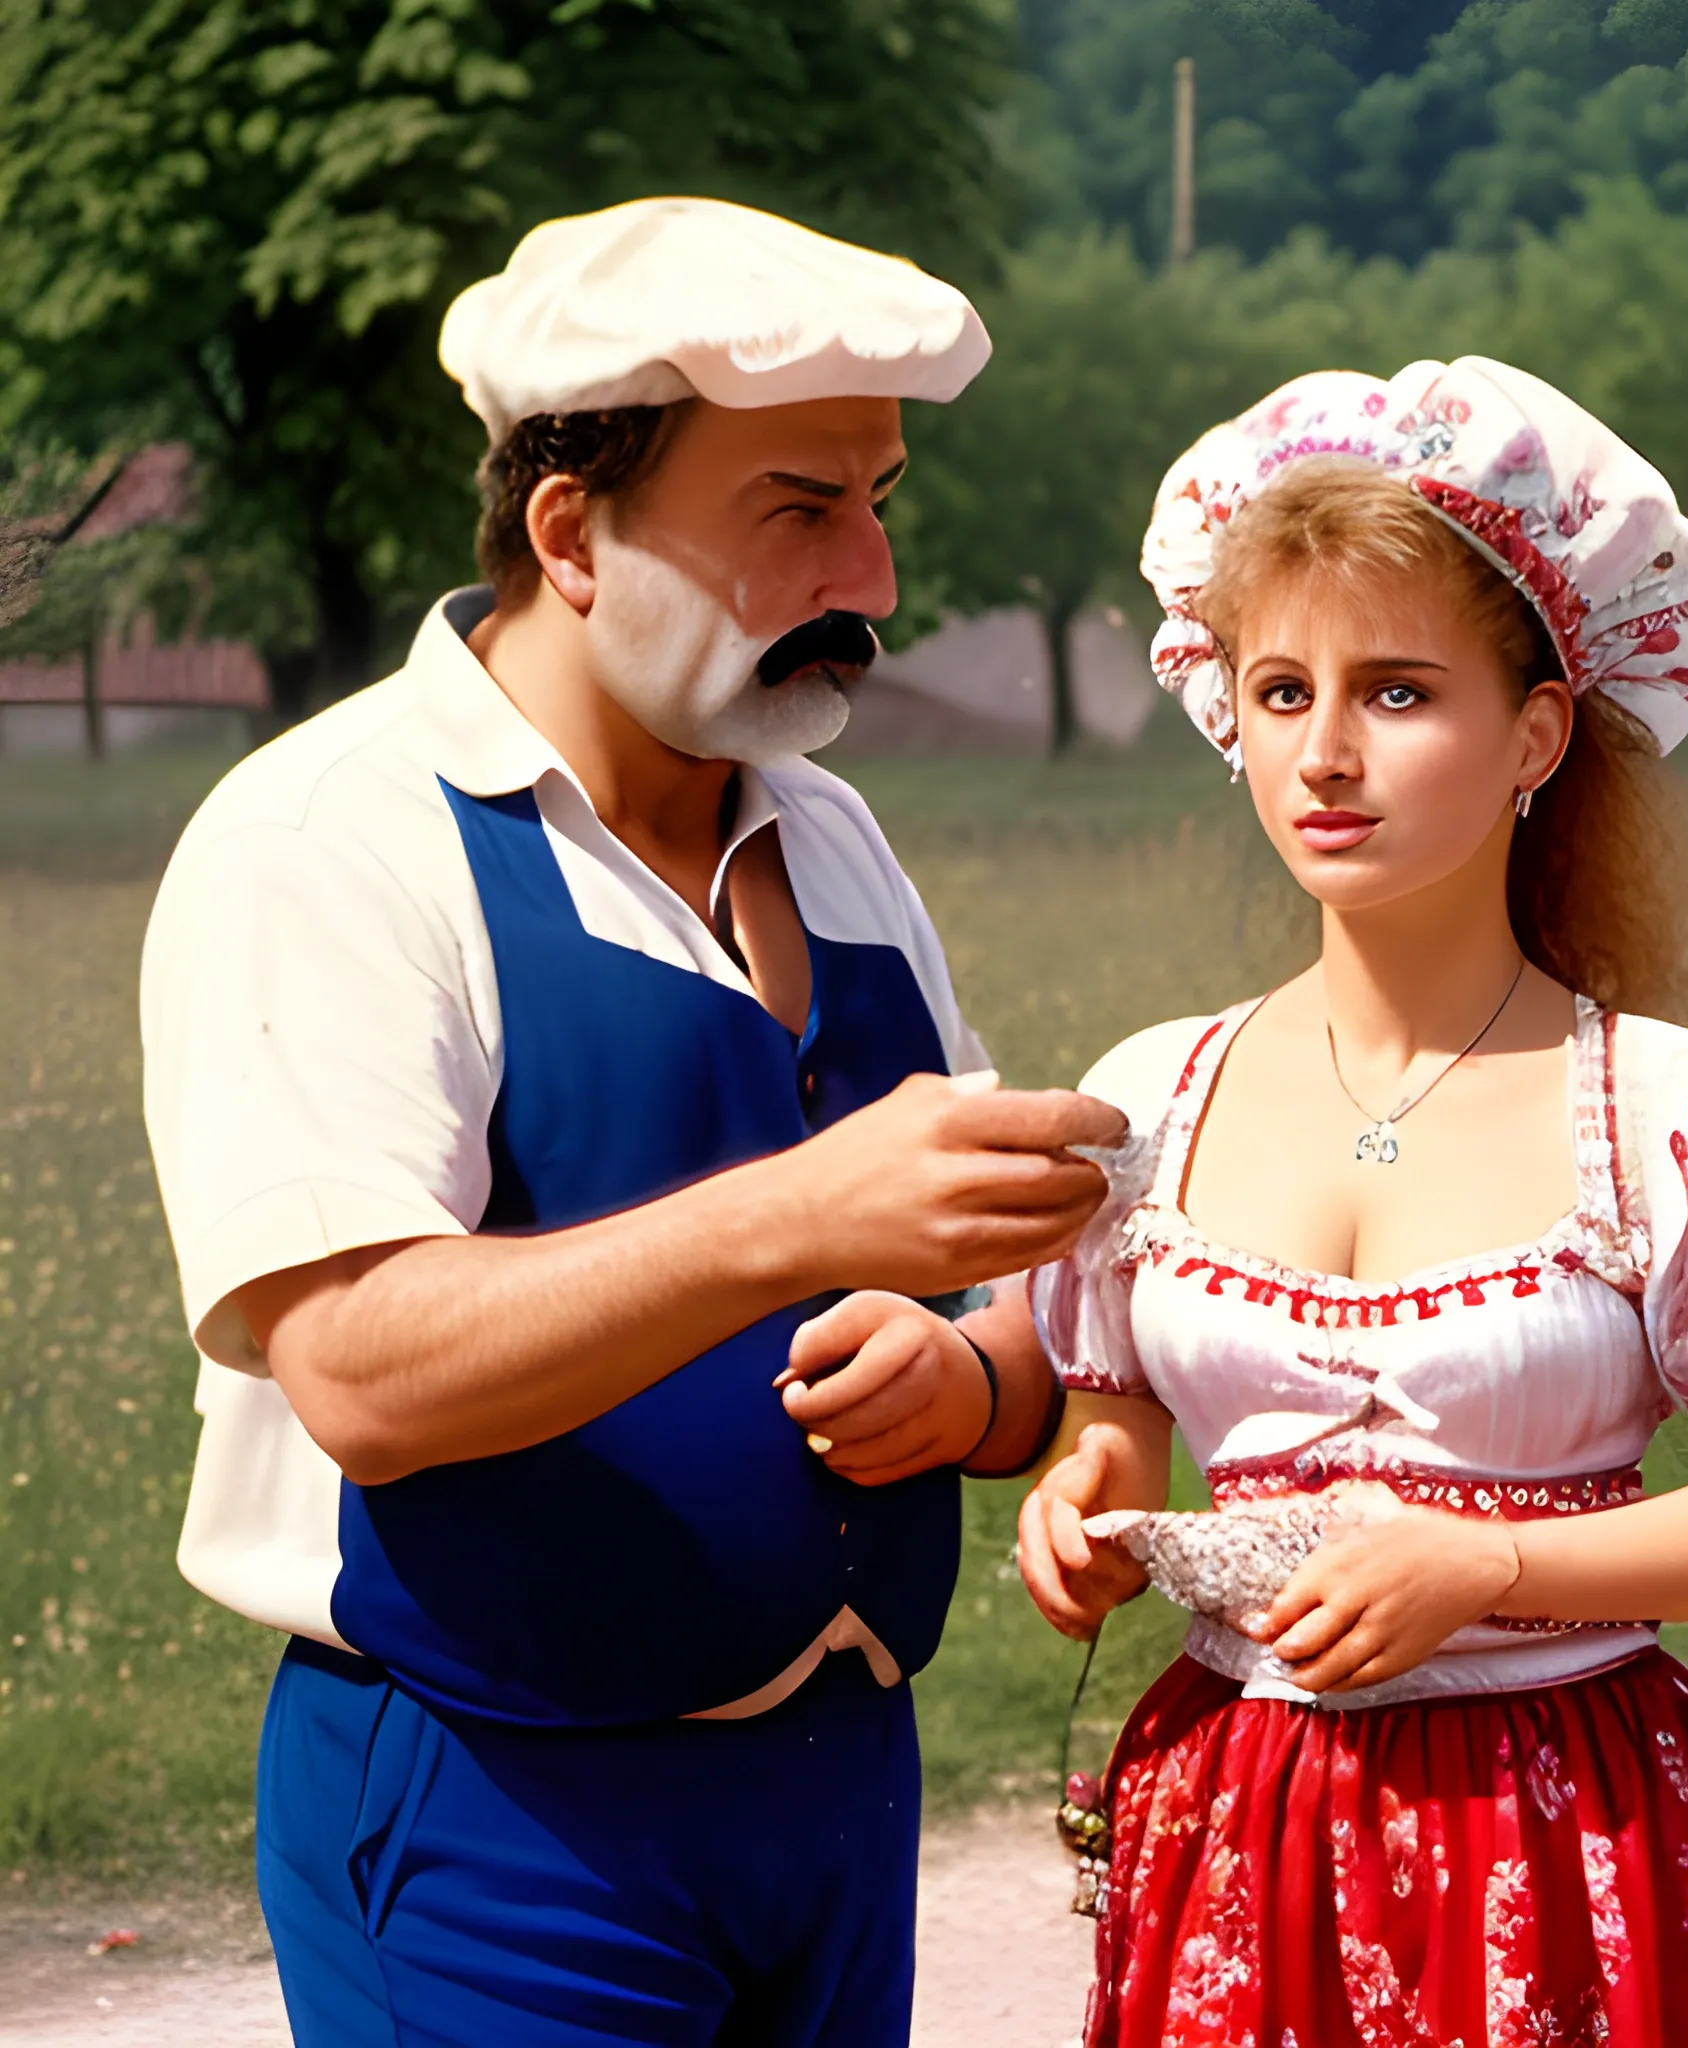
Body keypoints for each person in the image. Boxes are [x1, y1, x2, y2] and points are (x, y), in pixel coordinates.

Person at [140, 197, 1123, 2048]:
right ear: (571, 533)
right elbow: (357, 1371)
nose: (877, 578)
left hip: (836, 1800)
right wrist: (797, 1218)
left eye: (880, 500)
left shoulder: (828, 833)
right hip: (499, 1812)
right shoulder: (333, 837)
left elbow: (1006, 1285)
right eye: (797, 511)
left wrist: (973, 1382)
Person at [995, 359, 1688, 2044]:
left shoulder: (1662, 1105)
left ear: (1537, 730)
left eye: (1397, 693)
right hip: (1239, 1818)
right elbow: (1113, 1436)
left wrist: (1482, 1569)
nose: (1323, 755)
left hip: (1564, 1833)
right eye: (1277, 692)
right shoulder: (1158, 1094)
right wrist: (1081, 1516)